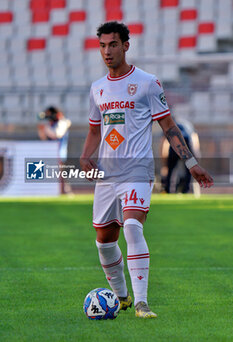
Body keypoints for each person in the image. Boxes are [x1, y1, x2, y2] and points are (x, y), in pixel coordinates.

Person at [80, 21, 213, 319]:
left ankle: (142, 302)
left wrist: (191, 163)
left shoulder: (147, 82)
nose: (107, 51)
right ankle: (122, 298)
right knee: (104, 242)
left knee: (132, 226)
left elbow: (169, 126)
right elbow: (93, 130)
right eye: (102, 45)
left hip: (138, 170)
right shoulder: (97, 89)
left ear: (126, 45)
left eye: (113, 44)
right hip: (106, 174)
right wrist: (85, 156)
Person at [160, 118, 201, 193]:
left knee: (171, 170)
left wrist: (164, 164)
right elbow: (195, 139)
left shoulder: (169, 125)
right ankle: (186, 190)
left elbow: (164, 144)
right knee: (189, 170)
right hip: (187, 146)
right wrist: (196, 154)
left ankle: (169, 191)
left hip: (176, 145)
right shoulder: (187, 124)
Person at [37, 106, 72, 193]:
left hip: (59, 152)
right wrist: (41, 129)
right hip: (49, 152)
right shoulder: (50, 124)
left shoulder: (63, 122)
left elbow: (57, 134)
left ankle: (66, 191)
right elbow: (43, 138)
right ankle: (60, 191)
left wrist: (46, 128)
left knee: (60, 174)